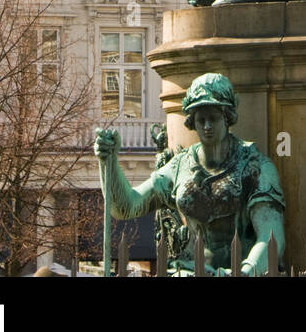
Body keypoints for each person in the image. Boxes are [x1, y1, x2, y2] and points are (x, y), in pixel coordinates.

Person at [94, 72, 284, 276]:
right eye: (201, 119)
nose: (207, 126)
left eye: (213, 118)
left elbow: (272, 237)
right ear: (192, 121)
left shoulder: (255, 167)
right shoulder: (179, 166)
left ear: (227, 118)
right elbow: (126, 206)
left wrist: (243, 273)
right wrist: (109, 161)